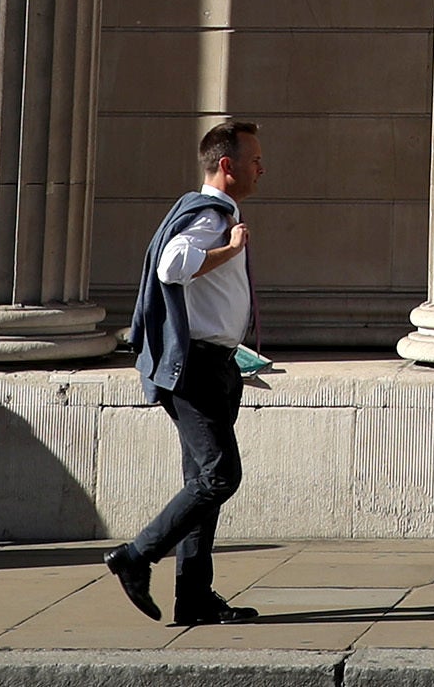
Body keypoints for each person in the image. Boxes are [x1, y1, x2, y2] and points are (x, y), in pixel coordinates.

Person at [108, 118, 266, 629]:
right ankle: (136, 556)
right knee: (221, 475)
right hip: (197, 366)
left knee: (201, 481)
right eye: (254, 159)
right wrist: (231, 250)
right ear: (227, 165)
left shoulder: (203, 210)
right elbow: (172, 266)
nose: (261, 167)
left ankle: (194, 597)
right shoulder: (213, 215)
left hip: (214, 363)